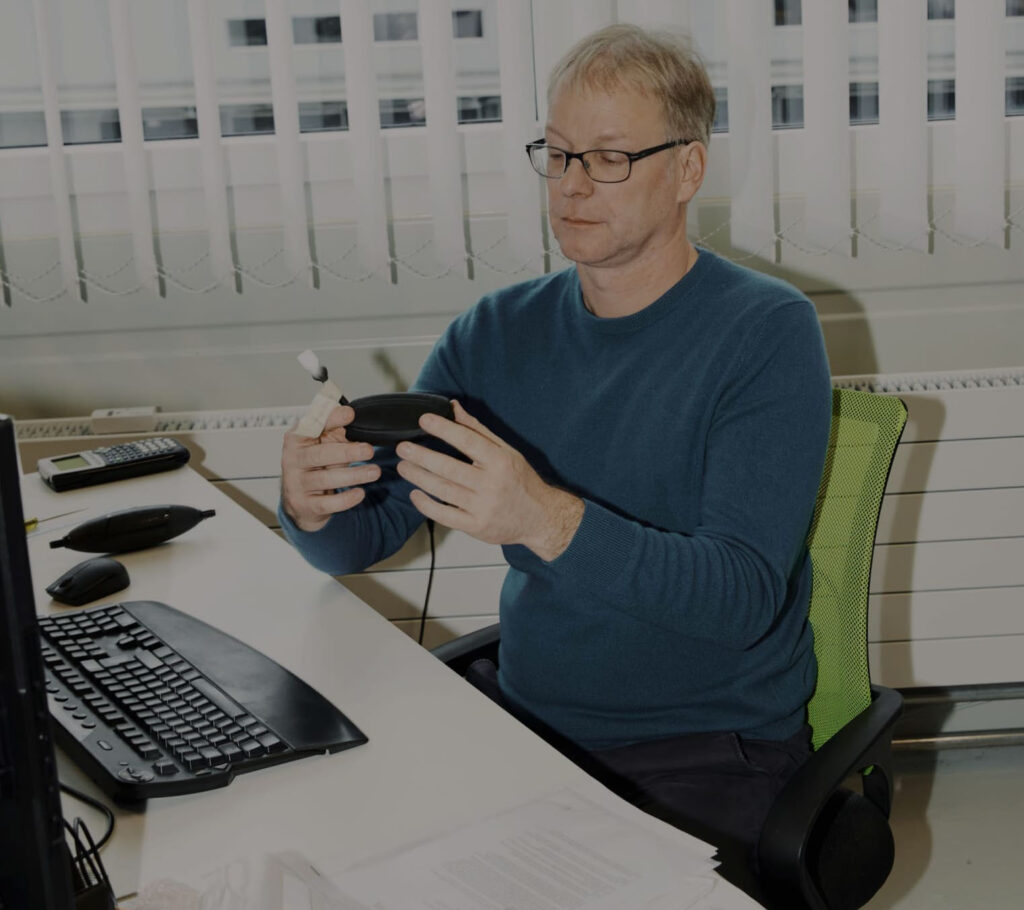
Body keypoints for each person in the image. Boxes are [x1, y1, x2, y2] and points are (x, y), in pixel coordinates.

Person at [279, 23, 832, 900]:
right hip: (528, 725)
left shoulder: (765, 333)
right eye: (560, 152)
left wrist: (544, 519)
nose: (572, 185)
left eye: (610, 158)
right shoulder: (495, 332)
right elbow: (370, 531)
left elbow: (740, 599)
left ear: (687, 170)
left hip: (709, 747)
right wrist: (316, 504)